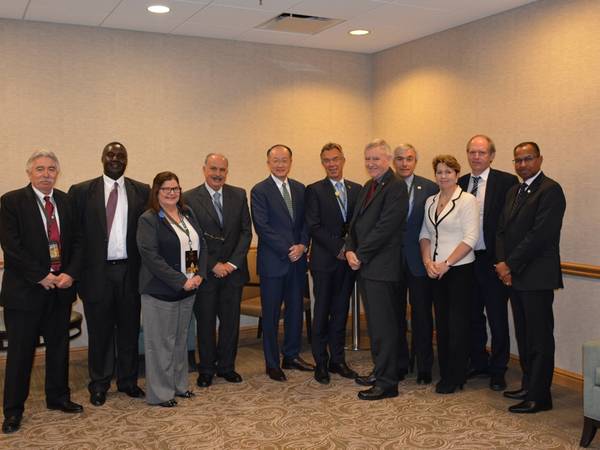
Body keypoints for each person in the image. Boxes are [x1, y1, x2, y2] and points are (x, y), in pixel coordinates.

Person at [1, 151, 83, 434]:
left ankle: (58, 397)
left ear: (57, 173)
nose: (46, 173)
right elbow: (12, 246)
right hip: (25, 293)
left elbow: (78, 242)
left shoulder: (67, 201)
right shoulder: (11, 202)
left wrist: (70, 273)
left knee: (59, 349)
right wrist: (41, 276)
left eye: (51, 169)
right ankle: (13, 411)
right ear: (29, 173)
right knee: (21, 354)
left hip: (60, 290)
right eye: (40, 169)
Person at [69, 142, 149, 406]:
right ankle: (99, 384)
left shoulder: (141, 190)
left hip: (130, 271)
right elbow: (74, 237)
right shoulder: (81, 192)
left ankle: (128, 381)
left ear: (127, 160)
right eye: (111, 154)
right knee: (100, 331)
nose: (116, 159)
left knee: (128, 330)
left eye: (121, 155)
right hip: (97, 274)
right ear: (102, 158)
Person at [496, 141, 566, 414]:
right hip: (514, 276)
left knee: (539, 337)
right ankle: (528, 384)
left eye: (528, 159)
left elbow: (539, 235)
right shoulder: (514, 190)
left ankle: (540, 395)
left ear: (539, 159)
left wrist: (509, 265)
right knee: (524, 335)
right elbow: (501, 230)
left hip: (536, 277)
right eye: (518, 160)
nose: (522, 164)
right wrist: (502, 262)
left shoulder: (550, 190)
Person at [136, 172, 207, 407]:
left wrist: (199, 275)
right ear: (156, 192)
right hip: (160, 290)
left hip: (189, 288)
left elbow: (201, 244)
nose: (171, 193)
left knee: (180, 340)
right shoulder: (148, 219)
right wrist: (180, 280)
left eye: (175, 188)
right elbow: (151, 257)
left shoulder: (187, 213)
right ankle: (160, 393)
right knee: (160, 344)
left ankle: (179, 386)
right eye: (165, 189)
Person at [345, 138, 408, 400]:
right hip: (367, 266)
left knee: (384, 327)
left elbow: (386, 227)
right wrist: (349, 247)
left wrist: (360, 253)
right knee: (377, 325)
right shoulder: (370, 185)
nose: (371, 163)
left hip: (382, 268)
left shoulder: (396, 187)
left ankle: (387, 383)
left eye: (376, 159)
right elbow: (355, 223)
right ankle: (383, 369)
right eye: (368, 158)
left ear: (388, 160)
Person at [184, 153, 252, 387]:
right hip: (206, 274)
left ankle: (226, 367)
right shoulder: (189, 198)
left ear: (227, 171)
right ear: (204, 169)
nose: (217, 174)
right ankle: (206, 369)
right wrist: (212, 265)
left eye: (222, 170)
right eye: (213, 169)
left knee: (230, 323)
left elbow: (246, 232)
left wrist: (232, 263)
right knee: (205, 323)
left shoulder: (239, 194)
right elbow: (190, 238)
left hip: (233, 273)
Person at [458, 135, 518, 391]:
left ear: (491, 156)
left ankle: (498, 369)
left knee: (497, 317)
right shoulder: (459, 183)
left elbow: (511, 224)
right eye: (472, 152)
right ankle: (479, 361)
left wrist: (505, 260)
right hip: (466, 261)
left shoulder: (506, 182)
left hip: (493, 261)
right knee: (471, 315)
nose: (476, 157)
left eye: (482, 153)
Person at [251, 144, 313, 382]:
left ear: (290, 162)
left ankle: (292, 355)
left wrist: (303, 245)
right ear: (268, 163)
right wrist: (289, 249)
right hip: (274, 263)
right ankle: (272, 363)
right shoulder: (260, 190)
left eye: (284, 160)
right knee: (271, 314)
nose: (280, 164)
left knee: (295, 311)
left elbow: (307, 222)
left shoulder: (300, 189)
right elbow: (262, 226)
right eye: (275, 160)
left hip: (297, 263)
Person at [419, 155, 479, 394]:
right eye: (439, 172)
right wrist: (427, 262)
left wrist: (447, 263)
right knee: (441, 324)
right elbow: (424, 233)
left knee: (458, 325)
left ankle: (456, 376)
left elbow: (470, 238)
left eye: (448, 172)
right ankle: (446, 372)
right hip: (434, 271)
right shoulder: (430, 201)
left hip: (459, 270)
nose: (443, 176)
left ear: (457, 174)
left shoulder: (467, 200)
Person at [305, 143, 361, 384]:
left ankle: (338, 359)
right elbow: (313, 226)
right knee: (322, 311)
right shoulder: (314, 190)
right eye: (327, 160)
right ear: (322, 163)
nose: (332, 164)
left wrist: (349, 250)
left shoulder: (357, 189)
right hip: (324, 262)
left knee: (341, 311)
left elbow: (359, 225)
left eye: (336, 159)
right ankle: (321, 362)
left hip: (348, 263)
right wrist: (339, 248)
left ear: (343, 160)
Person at [393, 144, 438, 385]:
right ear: (393, 162)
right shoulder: (385, 186)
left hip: (419, 262)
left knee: (422, 316)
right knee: (396, 316)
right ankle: (401, 364)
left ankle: (424, 366)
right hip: (392, 263)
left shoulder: (429, 187)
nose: (404, 163)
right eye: (399, 159)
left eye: (409, 158)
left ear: (415, 161)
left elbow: (433, 226)